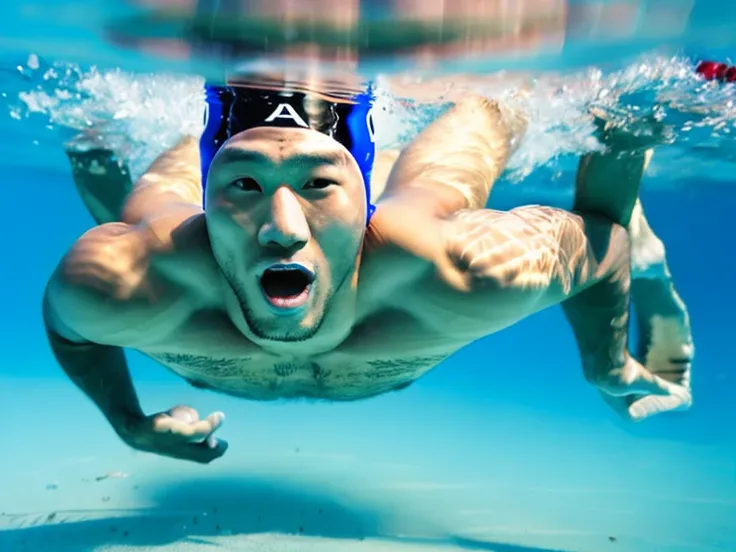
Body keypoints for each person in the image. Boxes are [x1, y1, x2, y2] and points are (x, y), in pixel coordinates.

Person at [44, 78, 694, 464]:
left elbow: (603, 249)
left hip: (404, 234)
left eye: (320, 186)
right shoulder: (123, 275)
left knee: (489, 115)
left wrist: (604, 361)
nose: (282, 228)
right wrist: (127, 423)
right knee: (129, 207)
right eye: (241, 185)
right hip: (185, 240)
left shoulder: (462, 268)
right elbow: (69, 328)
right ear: (209, 202)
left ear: (363, 205)